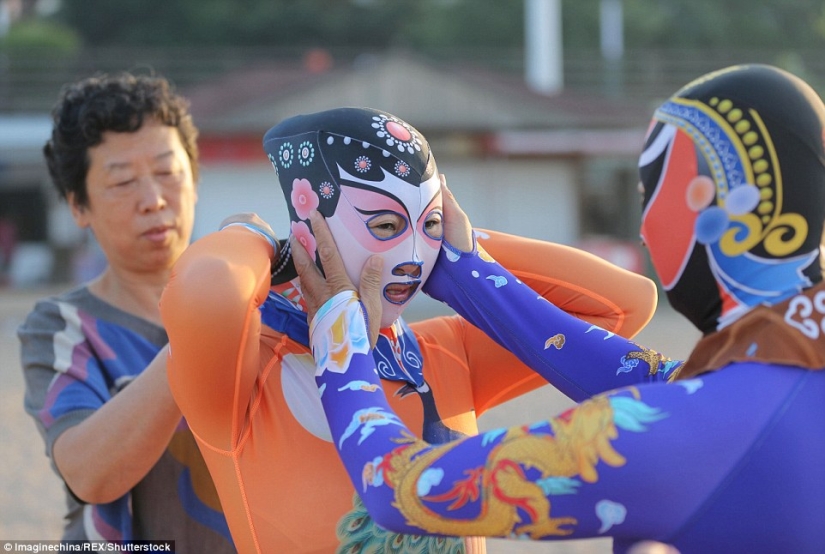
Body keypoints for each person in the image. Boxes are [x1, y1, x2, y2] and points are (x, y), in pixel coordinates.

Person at [299, 65, 825, 554]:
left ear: (707, 208)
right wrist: (462, 271)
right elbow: (638, 376)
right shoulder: (779, 373)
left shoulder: (681, 428)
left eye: (649, 193)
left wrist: (339, 339)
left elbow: (398, 487)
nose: (643, 229)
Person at [159, 106, 658, 554]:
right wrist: (253, 238)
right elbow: (209, 289)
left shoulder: (443, 352)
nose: (414, 259)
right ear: (309, 227)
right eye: (383, 227)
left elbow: (623, 305)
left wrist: (465, 261)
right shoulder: (246, 377)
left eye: (431, 225)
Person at [18, 72, 235, 551]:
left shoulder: (261, 303)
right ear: (78, 206)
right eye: (122, 182)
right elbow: (90, 475)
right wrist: (199, 335)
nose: (154, 200)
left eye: (167, 172)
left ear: (194, 180)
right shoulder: (62, 328)